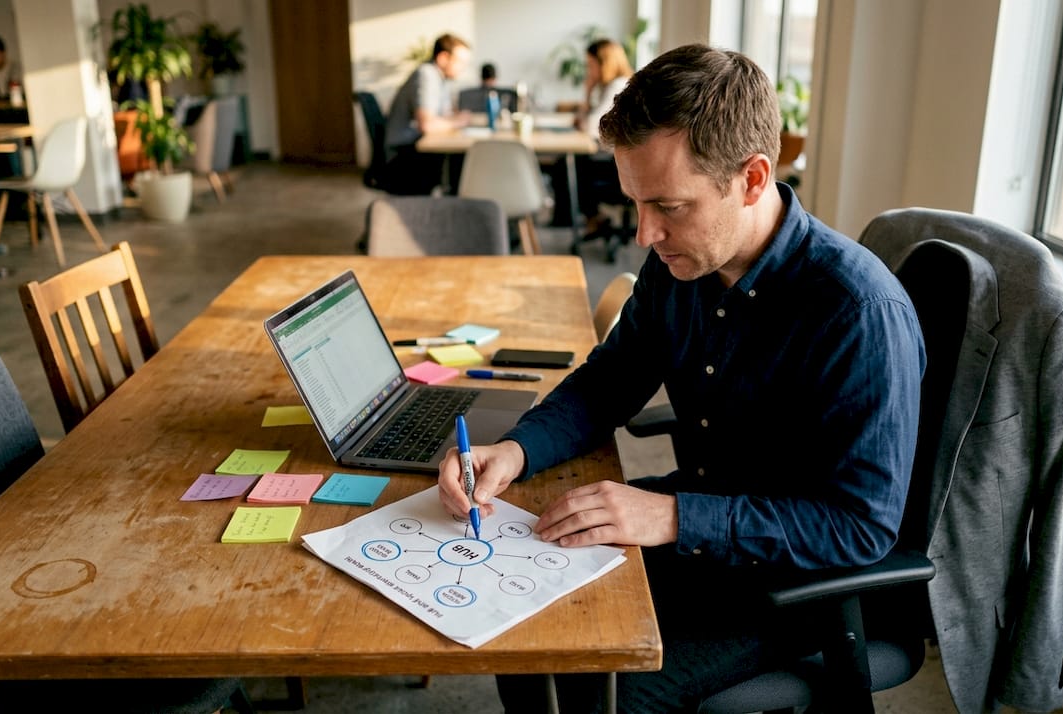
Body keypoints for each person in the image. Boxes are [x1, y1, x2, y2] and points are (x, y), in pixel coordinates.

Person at [438, 44, 926, 712]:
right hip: (705, 529)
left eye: (668, 205)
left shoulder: (857, 312)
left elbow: (860, 529)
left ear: (752, 179)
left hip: (805, 583)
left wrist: (671, 515)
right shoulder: (683, 269)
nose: (645, 233)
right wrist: (517, 449)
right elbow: (610, 380)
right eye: (636, 202)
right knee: (523, 623)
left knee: (605, 687)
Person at [381, 33, 472, 195]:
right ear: (443, 58)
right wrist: (460, 122)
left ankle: (454, 205)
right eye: (461, 62)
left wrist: (455, 117)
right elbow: (427, 125)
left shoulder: (439, 78)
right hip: (402, 157)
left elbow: (443, 114)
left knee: (461, 160)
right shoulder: (426, 75)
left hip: (412, 149)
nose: (463, 67)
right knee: (462, 160)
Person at [574, 38, 635, 237]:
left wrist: (587, 91)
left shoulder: (618, 86)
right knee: (572, 162)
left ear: (604, 63)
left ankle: (593, 218)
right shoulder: (609, 86)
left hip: (617, 164)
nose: (589, 70)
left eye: (591, 65)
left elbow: (591, 126)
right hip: (612, 158)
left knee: (572, 165)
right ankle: (592, 218)